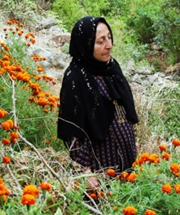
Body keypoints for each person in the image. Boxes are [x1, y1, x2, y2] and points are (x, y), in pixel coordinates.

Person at [57, 16, 139, 186]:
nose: (108, 45)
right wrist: (85, 171)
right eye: (101, 41)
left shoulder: (112, 68)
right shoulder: (75, 79)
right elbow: (73, 132)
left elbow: (124, 109)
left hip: (129, 161)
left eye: (109, 37)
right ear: (86, 45)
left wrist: (134, 142)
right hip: (100, 168)